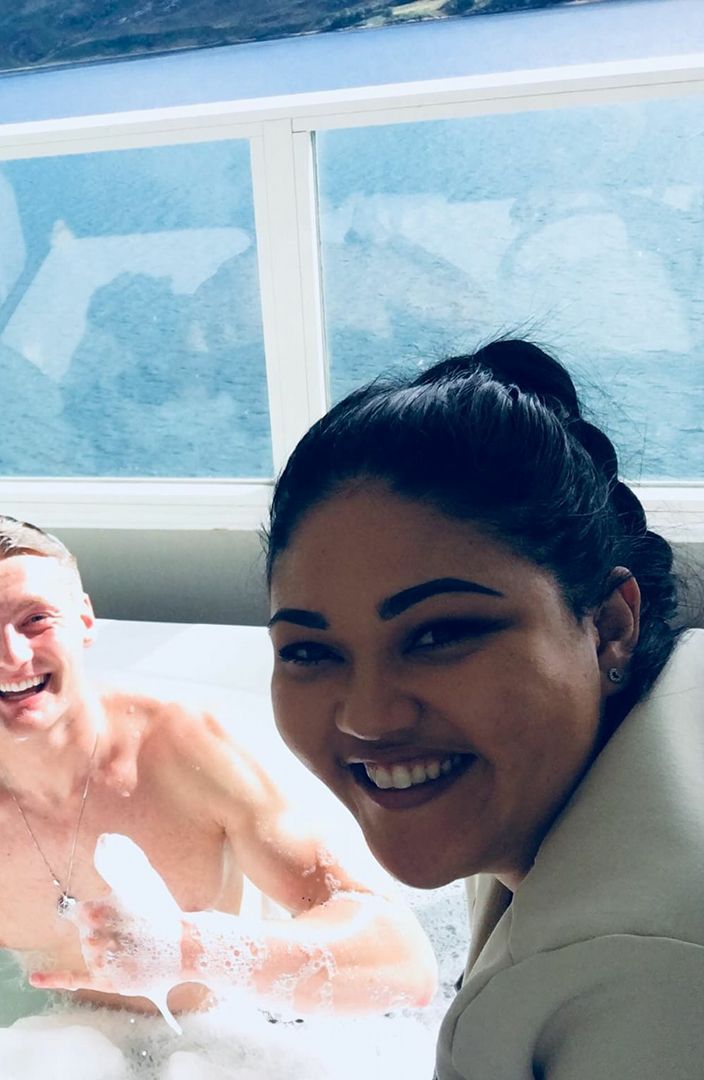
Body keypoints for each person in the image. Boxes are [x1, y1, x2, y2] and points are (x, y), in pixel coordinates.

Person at [264, 339, 704, 1077]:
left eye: (442, 635)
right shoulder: (660, 707)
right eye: (310, 652)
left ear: (610, 625)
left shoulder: (644, 976)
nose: (368, 718)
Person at [0, 516, 438, 1018]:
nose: (12, 656)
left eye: (36, 621)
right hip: (49, 1049)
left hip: (226, 1044)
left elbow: (403, 962)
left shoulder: (185, 755)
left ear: (86, 624)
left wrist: (188, 948)